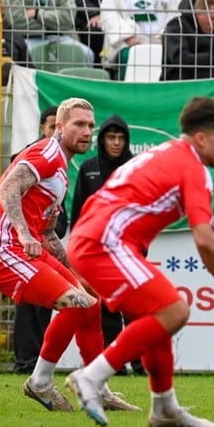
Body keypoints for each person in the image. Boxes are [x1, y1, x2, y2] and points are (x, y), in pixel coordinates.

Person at [65, 96, 214, 427]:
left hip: (93, 240)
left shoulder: (163, 152)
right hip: (105, 244)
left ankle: (164, 407)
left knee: (158, 317)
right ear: (201, 138)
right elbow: (205, 239)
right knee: (175, 312)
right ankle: (91, 377)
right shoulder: (193, 168)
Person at [0, 97, 140, 413]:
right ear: (58, 127)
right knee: (76, 305)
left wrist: (74, 271)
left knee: (89, 303)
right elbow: (8, 187)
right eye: (78, 124)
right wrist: (23, 232)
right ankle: (39, 383)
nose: (86, 131)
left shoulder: (62, 169)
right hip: (2, 249)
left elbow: (49, 232)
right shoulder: (47, 152)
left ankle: (96, 386)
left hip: (24, 248)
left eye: (90, 125)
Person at [69, 114, 142, 374]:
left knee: (135, 307)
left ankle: (140, 363)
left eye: (121, 138)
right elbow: (78, 213)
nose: (116, 142)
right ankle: (116, 365)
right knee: (107, 310)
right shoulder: (89, 168)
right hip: (97, 251)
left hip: (127, 249)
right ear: (102, 140)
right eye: (111, 137)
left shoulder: (135, 167)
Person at [9, 106, 64, 375]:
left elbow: (55, 208)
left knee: (51, 305)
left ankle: (41, 365)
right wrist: (25, 233)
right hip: (22, 246)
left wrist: (52, 232)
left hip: (44, 243)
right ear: (43, 128)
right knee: (26, 306)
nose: (55, 132)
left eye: (58, 127)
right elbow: (9, 193)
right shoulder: (28, 158)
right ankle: (25, 362)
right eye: (51, 126)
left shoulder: (61, 164)